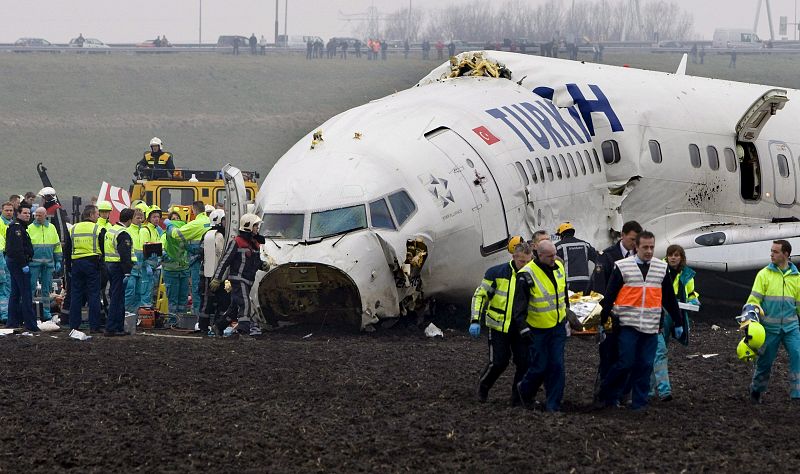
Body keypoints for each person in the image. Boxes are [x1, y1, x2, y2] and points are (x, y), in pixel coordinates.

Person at [596, 231, 683, 411]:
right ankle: (607, 391)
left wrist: (678, 320)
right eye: (645, 247)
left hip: (651, 327)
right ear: (636, 247)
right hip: (628, 324)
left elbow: (668, 297)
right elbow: (609, 295)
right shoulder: (622, 267)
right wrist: (603, 320)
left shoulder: (661, 268)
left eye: (652, 247)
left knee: (644, 365)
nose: (649, 251)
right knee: (625, 363)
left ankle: (639, 404)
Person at [514, 240, 576, 412]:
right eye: (549, 256)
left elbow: (563, 294)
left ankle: (553, 405)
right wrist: (523, 327)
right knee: (539, 366)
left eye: (554, 254)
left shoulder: (559, 267)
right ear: (538, 255)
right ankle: (524, 389)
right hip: (537, 329)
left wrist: (568, 314)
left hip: (557, 327)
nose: (554, 258)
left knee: (557, 365)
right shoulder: (526, 274)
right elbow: (519, 305)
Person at [470, 239, 533, 405]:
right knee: (498, 362)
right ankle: (483, 387)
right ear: (513, 257)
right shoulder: (496, 273)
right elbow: (480, 295)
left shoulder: (533, 275)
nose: (525, 265)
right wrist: (475, 319)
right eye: (522, 261)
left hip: (522, 327)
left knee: (524, 362)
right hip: (499, 326)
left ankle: (516, 397)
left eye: (529, 261)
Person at [746, 239, 800, 403]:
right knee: (765, 362)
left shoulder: (797, 278)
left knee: (798, 355)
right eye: (771, 251)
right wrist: (750, 320)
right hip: (769, 328)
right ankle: (756, 390)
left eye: (775, 252)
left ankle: (797, 394)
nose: (771, 254)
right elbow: (753, 301)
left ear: (786, 254)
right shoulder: (764, 275)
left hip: (791, 327)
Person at [651, 244, 699, 402]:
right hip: (662, 311)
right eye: (670, 255)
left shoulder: (686, 275)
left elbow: (690, 292)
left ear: (681, 257)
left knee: (658, 351)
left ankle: (650, 389)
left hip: (677, 312)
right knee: (659, 350)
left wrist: (693, 300)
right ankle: (663, 390)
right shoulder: (660, 269)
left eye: (676, 255)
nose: (673, 258)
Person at [210, 213, 266, 336]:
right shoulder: (236, 242)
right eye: (255, 225)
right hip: (238, 279)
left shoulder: (255, 244)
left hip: (247, 280)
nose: (257, 228)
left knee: (234, 308)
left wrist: (263, 265)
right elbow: (225, 261)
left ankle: (218, 326)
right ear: (248, 226)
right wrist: (217, 279)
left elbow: (255, 262)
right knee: (245, 304)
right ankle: (244, 332)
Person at [69, 205, 103, 332]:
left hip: (76, 263)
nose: (98, 216)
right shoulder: (97, 228)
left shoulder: (73, 228)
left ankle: (74, 325)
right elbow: (103, 247)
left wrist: (68, 266)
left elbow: (67, 248)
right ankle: (94, 326)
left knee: (76, 295)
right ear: (91, 215)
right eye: (97, 214)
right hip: (92, 263)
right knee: (93, 295)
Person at [5, 204, 37, 331]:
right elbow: (17, 249)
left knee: (15, 293)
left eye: (29, 213)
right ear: (18, 214)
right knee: (26, 293)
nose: (27, 215)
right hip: (18, 263)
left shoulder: (20, 227)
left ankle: (13, 321)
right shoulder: (16, 228)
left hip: (15, 262)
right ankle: (30, 324)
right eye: (24, 213)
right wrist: (24, 264)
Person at [27, 206, 62, 321]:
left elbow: (57, 245)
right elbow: (27, 246)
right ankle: (30, 312)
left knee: (46, 289)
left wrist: (58, 260)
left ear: (45, 215)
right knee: (31, 288)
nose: (37, 217)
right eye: (36, 215)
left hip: (48, 264)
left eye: (40, 215)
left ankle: (46, 313)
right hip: (33, 264)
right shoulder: (30, 228)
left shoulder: (51, 228)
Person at [104, 208, 135, 336]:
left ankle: (117, 327)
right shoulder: (123, 233)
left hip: (109, 265)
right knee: (117, 298)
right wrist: (127, 272)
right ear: (130, 219)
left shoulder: (111, 229)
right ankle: (112, 327)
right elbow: (125, 254)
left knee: (115, 296)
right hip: (118, 267)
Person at [179, 201, 211, 316]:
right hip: (210, 262)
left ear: (194, 210)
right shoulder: (209, 221)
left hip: (196, 261)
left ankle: (197, 316)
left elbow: (177, 234)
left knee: (197, 289)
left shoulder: (196, 224)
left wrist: (170, 225)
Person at [200, 209, 229, 334]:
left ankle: (217, 327)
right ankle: (203, 327)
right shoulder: (211, 236)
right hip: (208, 275)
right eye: (224, 220)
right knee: (207, 302)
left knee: (223, 302)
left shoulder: (223, 236)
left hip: (220, 275)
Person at [555, 222, 598, 295]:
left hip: (569, 282)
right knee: (584, 303)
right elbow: (598, 259)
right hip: (585, 282)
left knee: (571, 303)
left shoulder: (558, 246)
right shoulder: (585, 244)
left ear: (562, 234)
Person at [161, 213, 190, 314]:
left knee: (183, 299)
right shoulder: (165, 236)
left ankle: (181, 321)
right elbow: (162, 249)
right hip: (171, 271)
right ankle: (173, 321)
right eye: (173, 219)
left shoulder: (185, 236)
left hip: (183, 271)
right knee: (173, 300)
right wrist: (166, 256)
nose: (176, 221)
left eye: (178, 218)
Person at [139, 206, 163, 307]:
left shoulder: (156, 230)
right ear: (149, 218)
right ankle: (144, 315)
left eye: (158, 217)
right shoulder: (145, 230)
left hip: (154, 267)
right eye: (154, 217)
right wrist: (146, 265)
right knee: (145, 291)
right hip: (146, 267)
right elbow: (143, 249)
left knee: (151, 291)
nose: (156, 219)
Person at [124, 207, 145, 313]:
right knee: (129, 293)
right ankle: (125, 316)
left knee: (138, 294)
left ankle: (133, 317)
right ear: (131, 218)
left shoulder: (142, 231)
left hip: (140, 270)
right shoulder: (128, 231)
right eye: (137, 218)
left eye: (142, 218)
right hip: (131, 270)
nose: (140, 220)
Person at [0, 201, 14, 323]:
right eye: (7, 210)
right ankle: (4, 315)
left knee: (8, 287)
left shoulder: (12, 223)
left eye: (11, 210)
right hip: (3, 256)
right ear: (2, 210)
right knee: (4, 287)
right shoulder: (1, 223)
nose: (9, 212)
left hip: (9, 257)